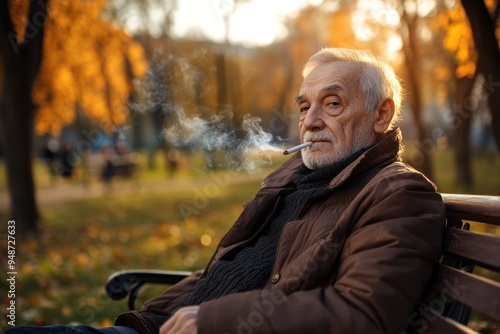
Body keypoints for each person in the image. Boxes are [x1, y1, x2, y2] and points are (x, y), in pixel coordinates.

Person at [6, 47, 445, 334]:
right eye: (304, 106)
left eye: (332, 104)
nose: (311, 121)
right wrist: (149, 323)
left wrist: (213, 320)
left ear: (381, 114)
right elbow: (225, 273)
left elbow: (361, 314)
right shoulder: (291, 181)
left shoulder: (397, 194)